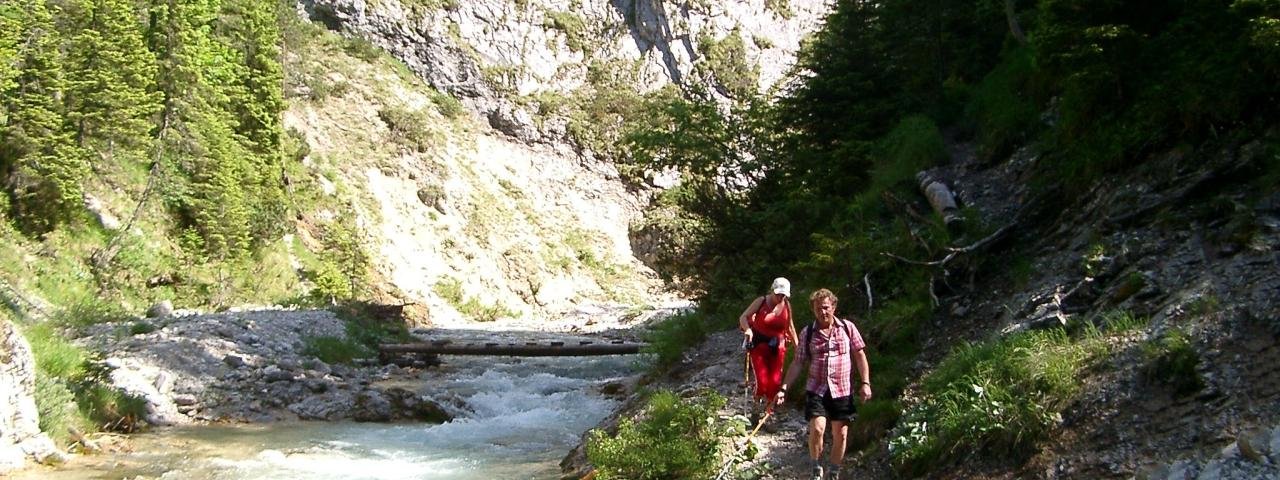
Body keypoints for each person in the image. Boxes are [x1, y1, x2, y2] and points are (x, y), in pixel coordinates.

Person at [775, 288, 872, 480]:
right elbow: (797, 362)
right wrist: (784, 388)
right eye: (818, 308)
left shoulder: (847, 328)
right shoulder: (808, 333)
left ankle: (834, 471)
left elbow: (859, 355)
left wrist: (865, 383)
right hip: (816, 388)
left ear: (834, 307)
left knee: (841, 434)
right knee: (818, 428)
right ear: (813, 309)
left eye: (826, 307)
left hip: (842, 389)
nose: (823, 312)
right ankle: (816, 468)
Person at [738, 277, 799, 421]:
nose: (780, 297)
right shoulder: (761, 302)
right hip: (759, 345)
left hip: (778, 347)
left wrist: (798, 346)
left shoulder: (787, 306)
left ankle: (769, 413)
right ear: (772, 290)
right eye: (778, 294)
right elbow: (743, 317)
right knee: (762, 380)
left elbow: (790, 327)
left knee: (775, 382)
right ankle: (756, 405)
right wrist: (748, 330)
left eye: (783, 295)